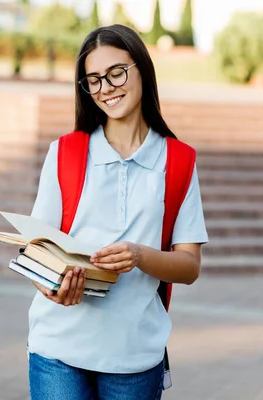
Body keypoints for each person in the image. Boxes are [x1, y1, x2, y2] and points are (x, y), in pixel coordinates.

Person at [27, 24, 208, 400]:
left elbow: (189, 266)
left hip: (134, 357)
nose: (106, 88)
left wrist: (140, 256)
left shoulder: (178, 160)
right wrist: (51, 288)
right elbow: (36, 249)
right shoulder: (65, 152)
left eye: (116, 73)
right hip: (57, 349)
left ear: (141, 68)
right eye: (93, 80)